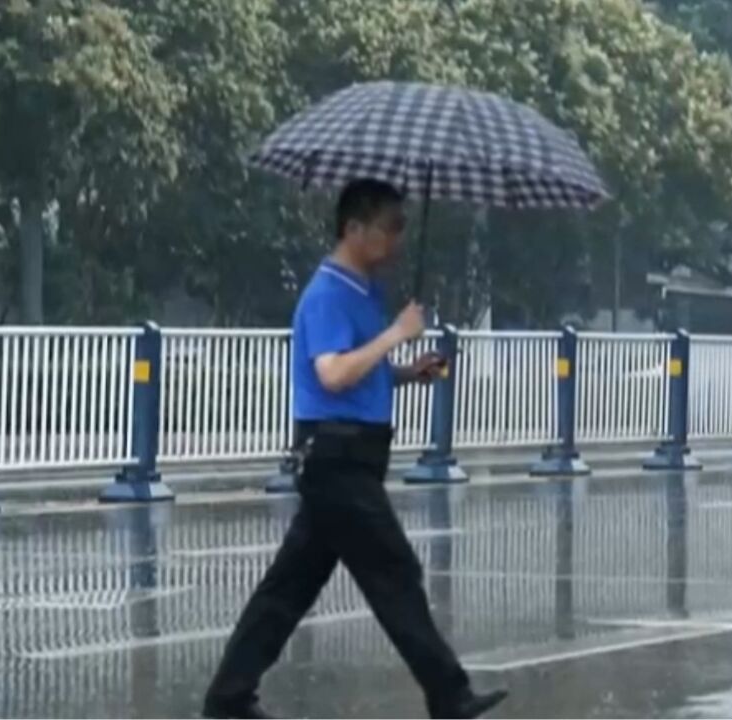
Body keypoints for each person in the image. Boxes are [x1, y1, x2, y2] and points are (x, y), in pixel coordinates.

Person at [202, 179, 507, 720]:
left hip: (354, 454)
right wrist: (395, 334)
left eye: (401, 228)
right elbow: (334, 372)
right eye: (390, 227)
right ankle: (449, 695)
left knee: (289, 588)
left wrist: (409, 372)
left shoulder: (363, 290)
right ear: (354, 228)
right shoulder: (327, 292)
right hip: (336, 459)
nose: (397, 239)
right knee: (395, 573)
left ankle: (228, 698)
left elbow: (359, 372)